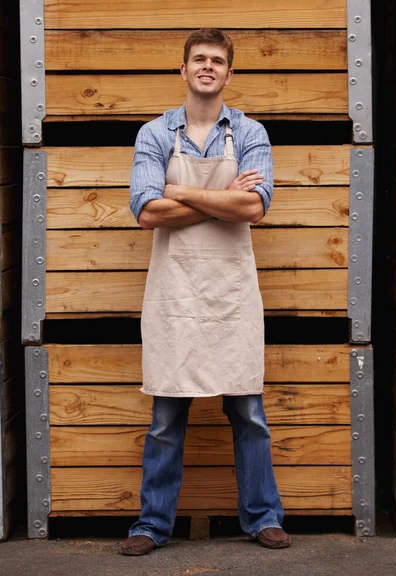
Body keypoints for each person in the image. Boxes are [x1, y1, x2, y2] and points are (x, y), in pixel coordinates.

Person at [119, 28, 291, 556]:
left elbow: (256, 207)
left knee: (250, 416)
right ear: (184, 70)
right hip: (174, 296)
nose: (208, 67)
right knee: (166, 421)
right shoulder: (154, 133)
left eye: (218, 60)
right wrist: (221, 196)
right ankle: (151, 525)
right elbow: (147, 213)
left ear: (229, 73)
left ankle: (263, 517)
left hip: (231, 296)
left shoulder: (250, 132)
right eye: (199, 59)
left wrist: (181, 192)